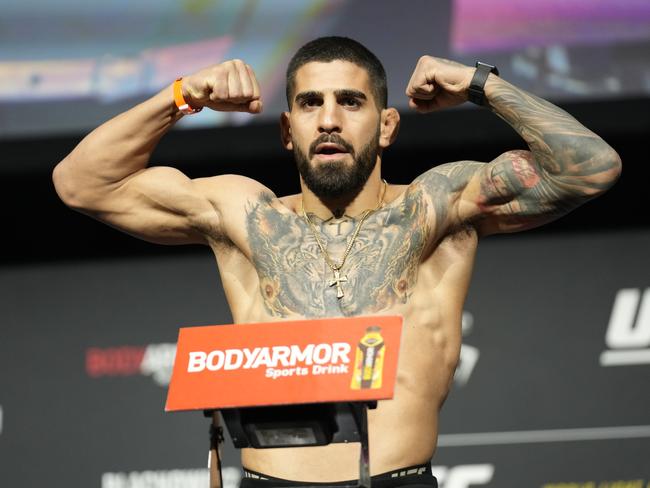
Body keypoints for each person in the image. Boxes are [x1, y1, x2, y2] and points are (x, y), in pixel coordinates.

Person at [52, 37, 621, 488]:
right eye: (309, 103)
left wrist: (481, 84)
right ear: (287, 129)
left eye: (350, 102)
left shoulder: (438, 205)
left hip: (399, 481)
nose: (329, 120)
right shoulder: (244, 214)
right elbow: (80, 185)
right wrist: (182, 96)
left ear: (387, 124)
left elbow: (591, 168)